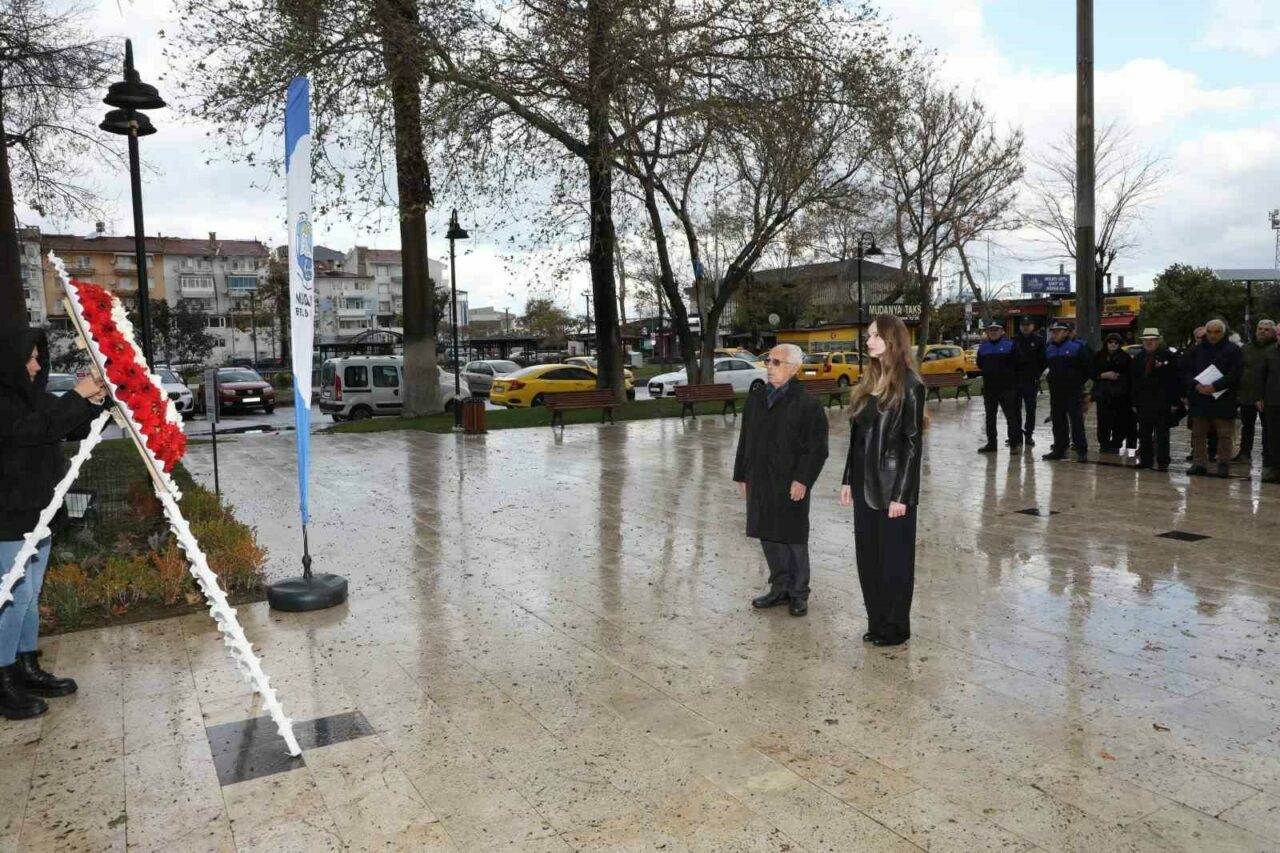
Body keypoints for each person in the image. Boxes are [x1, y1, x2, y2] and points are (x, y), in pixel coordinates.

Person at [1, 329, 106, 719]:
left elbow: (65, 424)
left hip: (39, 513)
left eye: (37, 357)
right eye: (28, 358)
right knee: (13, 599)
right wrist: (77, 395)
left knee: (29, 596)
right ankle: (3, 677)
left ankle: (25, 664)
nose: (36, 365)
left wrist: (95, 401)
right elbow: (36, 429)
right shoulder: (4, 403)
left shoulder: (32, 398)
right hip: (9, 516)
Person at [839, 316, 925, 647]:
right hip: (864, 486)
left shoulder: (911, 385)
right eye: (868, 335)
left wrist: (902, 495)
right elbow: (857, 438)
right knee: (869, 559)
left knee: (895, 562)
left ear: (893, 340)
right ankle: (876, 622)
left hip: (893, 489)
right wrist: (848, 478)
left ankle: (895, 627)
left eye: (876, 335)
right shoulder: (868, 383)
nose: (869, 341)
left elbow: (912, 446)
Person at [734, 343, 829, 617]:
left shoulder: (808, 404)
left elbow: (816, 449)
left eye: (777, 362)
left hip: (790, 482)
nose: (769, 367)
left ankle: (798, 593)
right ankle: (780, 588)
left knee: (793, 537)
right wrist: (742, 475)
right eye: (768, 361)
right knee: (768, 535)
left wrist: (803, 480)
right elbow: (745, 439)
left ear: (794, 368)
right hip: (760, 478)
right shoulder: (757, 398)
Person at [1184, 319, 1243, 477]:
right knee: (1198, 434)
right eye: (1209, 332)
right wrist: (1196, 385)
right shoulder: (1196, 350)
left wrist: (1216, 386)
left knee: (1224, 434)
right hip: (1200, 399)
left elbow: (1235, 373)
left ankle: (1223, 463)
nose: (1212, 335)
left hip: (1223, 398)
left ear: (1223, 333)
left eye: (1217, 332)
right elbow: (1186, 371)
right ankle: (1199, 463)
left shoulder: (1233, 350)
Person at [1129, 328, 1181, 471]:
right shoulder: (1138, 358)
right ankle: (1146, 460)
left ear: (1158, 341)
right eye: (1146, 340)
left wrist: (1174, 401)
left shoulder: (1168, 356)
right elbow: (1134, 381)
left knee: (1162, 434)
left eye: (1152, 340)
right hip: (1143, 401)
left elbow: (1175, 380)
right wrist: (1134, 402)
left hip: (1162, 401)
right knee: (1144, 433)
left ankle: (1163, 462)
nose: (1149, 342)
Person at [1042, 321, 1092, 462]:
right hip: (1056, 391)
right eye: (1053, 331)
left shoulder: (1077, 347)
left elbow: (1087, 368)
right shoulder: (1049, 348)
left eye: (1058, 331)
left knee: (1076, 421)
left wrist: (1078, 382)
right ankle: (1059, 450)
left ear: (1066, 332)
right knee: (1058, 421)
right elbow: (1044, 365)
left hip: (1073, 391)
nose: (1055, 333)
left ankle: (1081, 451)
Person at [1235, 319, 1276, 468]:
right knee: (1247, 426)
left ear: (1273, 332)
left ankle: (1268, 455)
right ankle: (1244, 452)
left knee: (1268, 428)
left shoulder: (1275, 349)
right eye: (1260, 328)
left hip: (1267, 396)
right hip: (1247, 394)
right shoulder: (1246, 348)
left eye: (1266, 329)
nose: (1262, 331)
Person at [975, 321, 1019, 453]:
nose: (993, 332)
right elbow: (980, 364)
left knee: (1011, 417)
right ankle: (991, 444)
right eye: (991, 330)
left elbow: (1018, 363)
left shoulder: (1010, 345)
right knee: (990, 418)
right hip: (990, 388)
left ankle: (1014, 444)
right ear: (988, 332)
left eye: (996, 329)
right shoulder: (983, 347)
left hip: (1007, 388)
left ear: (1002, 331)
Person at [1091, 333, 1136, 455]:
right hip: (1103, 394)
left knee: (1119, 421)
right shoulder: (1098, 356)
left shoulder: (1125, 357)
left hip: (1120, 394)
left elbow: (1130, 376)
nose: (1113, 344)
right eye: (1110, 342)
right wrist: (1103, 375)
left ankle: (1116, 443)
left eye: (1116, 342)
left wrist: (1119, 378)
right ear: (1106, 343)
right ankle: (1104, 444)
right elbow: (1092, 372)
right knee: (1103, 421)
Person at [1011, 317, 1046, 446]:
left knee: (1031, 410)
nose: (1025, 327)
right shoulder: (1014, 340)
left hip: (1031, 381)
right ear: (1020, 326)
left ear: (1032, 326)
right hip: (1016, 380)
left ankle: (1029, 434)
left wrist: (1036, 373)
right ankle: (1017, 434)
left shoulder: (1039, 341)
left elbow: (1043, 360)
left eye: (1028, 325)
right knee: (1016, 410)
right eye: (1023, 325)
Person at [1183, 325, 1216, 463]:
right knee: (1196, 426)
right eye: (1199, 337)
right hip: (1195, 393)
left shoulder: (1215, 351)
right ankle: (1196, 450)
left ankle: (1213, 451)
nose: (1202, 340)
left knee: (1213, 425)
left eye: (1204, 337)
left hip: (1213, 393)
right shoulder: (1190, 352)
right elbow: (1185, 372)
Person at [1259, 342, 1280, 483]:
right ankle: (1275, 468)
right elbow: (1261, 377)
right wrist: (1259, 397)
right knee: (1273, 436)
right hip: (1273, 401)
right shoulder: (1269, 353)